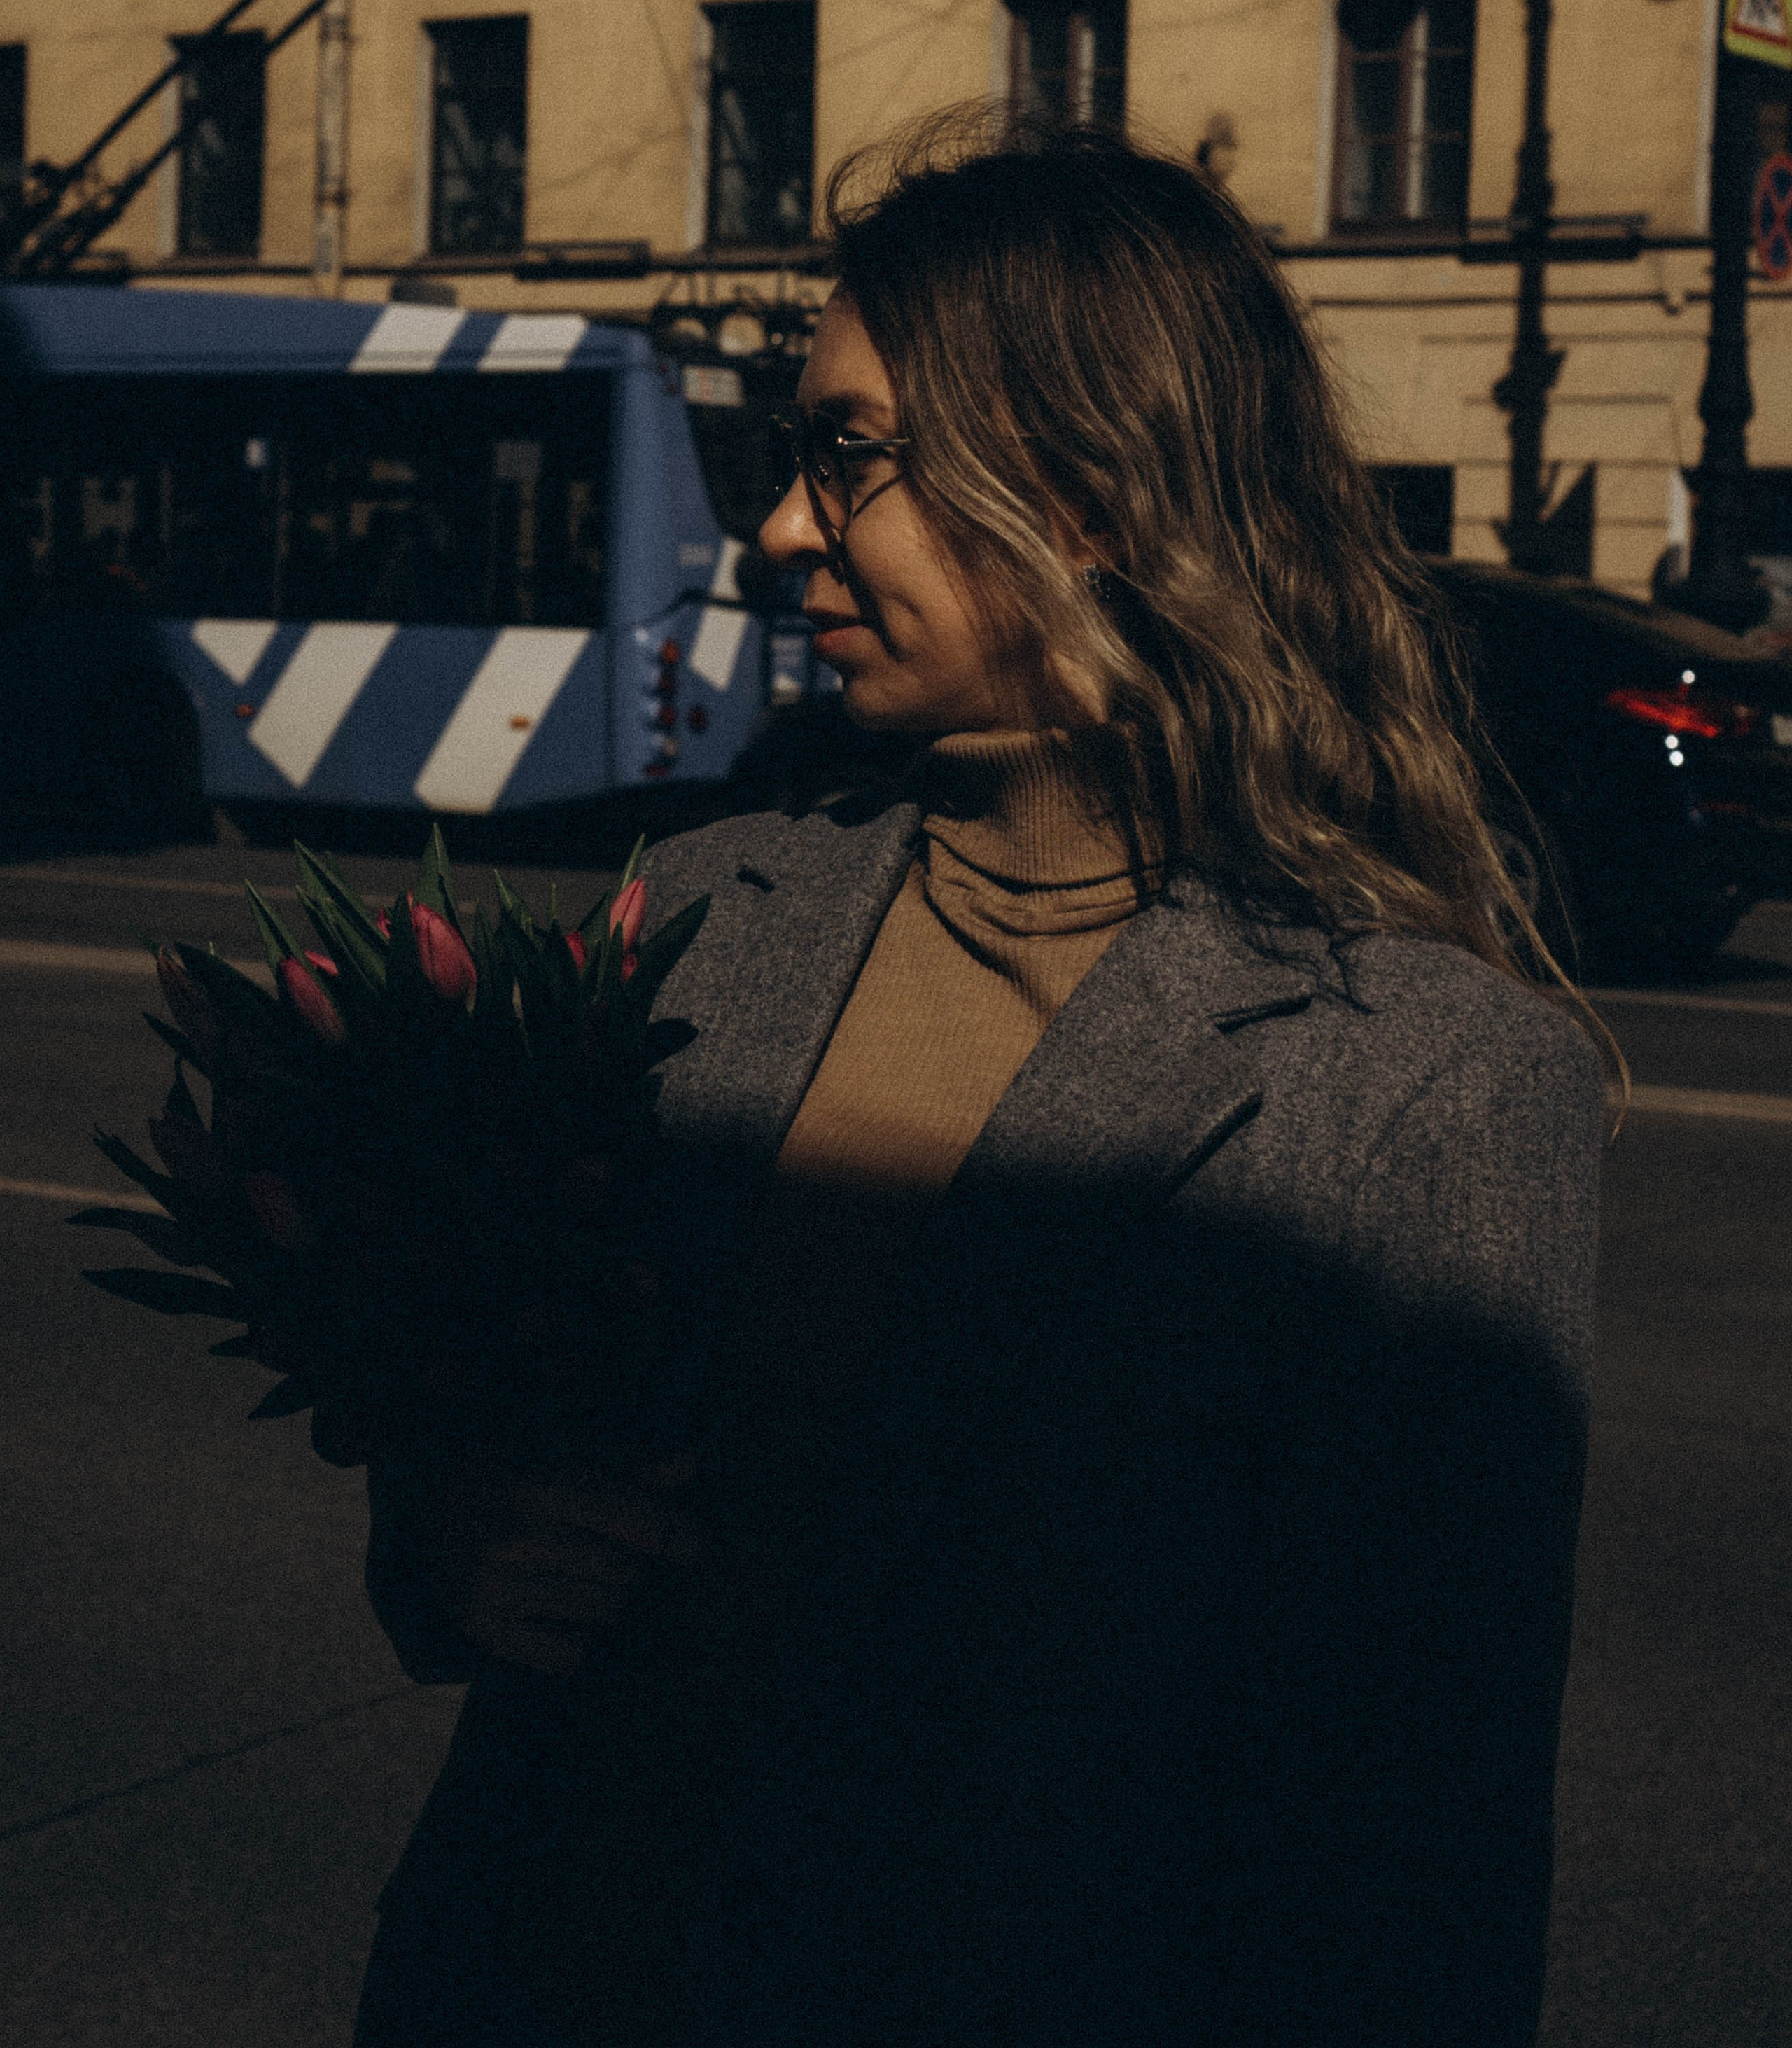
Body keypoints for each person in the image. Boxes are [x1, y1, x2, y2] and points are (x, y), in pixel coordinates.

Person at [356, 119, 1606, 2048]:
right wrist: (455, 1538)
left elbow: (1405, 1872)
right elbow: (505, 1449)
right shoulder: (694, 920)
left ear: (1092, 483)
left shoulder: (1433, 1091)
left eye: (847, 457)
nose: (783, 533)